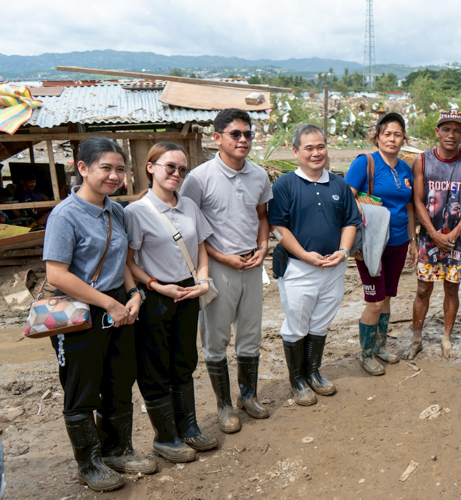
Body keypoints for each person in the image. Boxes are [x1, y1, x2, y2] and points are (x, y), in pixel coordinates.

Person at [43, 137, 157, 492]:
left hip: (119, 310)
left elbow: (122, 260)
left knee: (119, 381)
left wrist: (133, 293)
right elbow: (56, 274)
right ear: (83, 168)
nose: (114, 176)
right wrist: (107, 303)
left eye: (120, 169)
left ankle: (118, 449)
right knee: (82, 389)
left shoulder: (116, 211)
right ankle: (89, 463)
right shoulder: (65, 215)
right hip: (80, 314)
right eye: (105, 168)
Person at [125, 143, 218, 463]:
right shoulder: (136, 212)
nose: (177, 174)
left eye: (182, 169)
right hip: (155, 297)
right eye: (170, 167)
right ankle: (165, 437)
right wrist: (155, 286)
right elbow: (129, 261)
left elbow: (201, 248)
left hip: (188, 293)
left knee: (184, 360)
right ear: (151, 167)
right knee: (155, 367)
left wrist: (202, 281)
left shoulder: (190, 206)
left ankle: (188, 428)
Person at [181, 108, 272, 433]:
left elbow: (262, 216)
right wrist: (221, 257)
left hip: (252, 265)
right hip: (217, 268)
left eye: (247, 134)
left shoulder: (259, 176)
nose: (243, 140)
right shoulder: (199, 179)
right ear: (217, 137)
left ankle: (249, 395)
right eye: (236, 134)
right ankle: (224, 405)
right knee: (216, 338)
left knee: (250, 334)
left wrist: (262, 247)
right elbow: (189, 228)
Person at [268, 123, 361, 405]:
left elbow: (350, 222)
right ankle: (297, 379)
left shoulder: (338, 184)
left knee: (320, 321)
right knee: (297, 323)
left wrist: (343, 252)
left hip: (333, 268)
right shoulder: (284, 185)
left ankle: (313, 372)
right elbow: (278, 227)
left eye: (321, 146)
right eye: (309, 148)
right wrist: (306, 255)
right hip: (298, 268)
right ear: (295, 151)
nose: (316, 153)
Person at [345, 112, 417, 376]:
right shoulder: (365, 163)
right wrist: (356, 243)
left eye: (398, 134)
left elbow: (410, 208)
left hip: (398, 242)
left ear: (403, 138)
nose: (392, 139)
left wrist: (412, 240)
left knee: (386, 297)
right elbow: (347, 200)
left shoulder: (405, 168)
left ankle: (380, 346)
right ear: (377, 137)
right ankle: (365, 354)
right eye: (387, 134)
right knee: (374, 302)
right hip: (372, 245)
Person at [406, 110, 461, 359]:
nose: (451, 135)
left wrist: (455, 233)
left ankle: (446, 337)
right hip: (429, 238)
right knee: (422, 290)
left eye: (457, 130)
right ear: (437, 132)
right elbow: (417, 200)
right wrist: (433, 234)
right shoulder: (422, 161)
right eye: (446, 129)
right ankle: (416, 337)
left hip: (458, 241)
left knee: (452, 290)